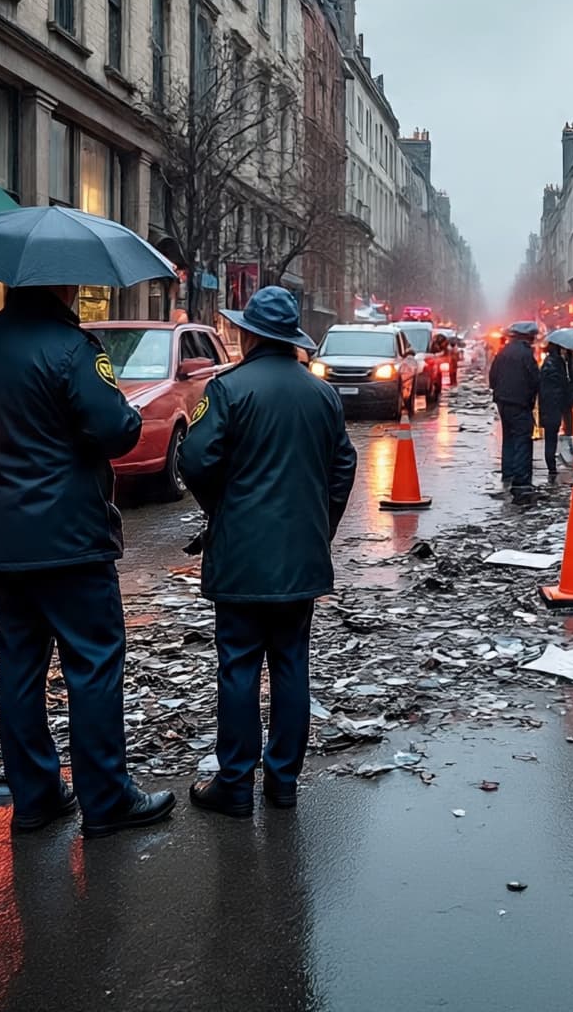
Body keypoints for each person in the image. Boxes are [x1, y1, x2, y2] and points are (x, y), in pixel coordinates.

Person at [0, 285, 176, 839]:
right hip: (71, 535)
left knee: (19, 668)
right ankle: (106, 799)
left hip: (2, 536)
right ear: (64, 285)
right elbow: (117, 431)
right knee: (93, 664)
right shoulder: (75, 349)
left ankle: (36, 797)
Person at [179, 287, 358, 817]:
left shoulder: (228, 389)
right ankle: (283, 782)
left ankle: (234, 784)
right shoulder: (321, 394)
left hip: (240, 557)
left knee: (237, 667)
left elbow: (195, 459)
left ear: (251, 333)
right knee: (291, 664)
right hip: (300, 558)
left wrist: (222, 508)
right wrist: (318, 528)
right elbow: (343, 468)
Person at [489, 321, 540, 505]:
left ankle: (508, 472)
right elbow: (535, 379)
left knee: (509, 439)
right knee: (522, 440)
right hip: (520, 403)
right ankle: (521, 481)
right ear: (528, 337)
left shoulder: (503, 352)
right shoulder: (526, 355)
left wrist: (500, 392)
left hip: (503, 402)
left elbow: (492, 376)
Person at [538, 341, 573, 481]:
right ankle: (552, 468)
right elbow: (561, 387)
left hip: (548, 406)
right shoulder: (555, 364)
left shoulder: (552, 362)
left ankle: (552, 467)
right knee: (551, 437)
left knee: (550, 437)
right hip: (553, 406)